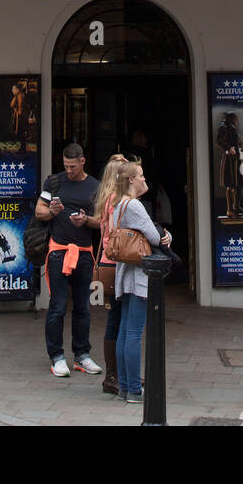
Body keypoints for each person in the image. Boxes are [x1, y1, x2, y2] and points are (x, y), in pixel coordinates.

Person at [35, 144, 103, 379]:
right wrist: (53, 211)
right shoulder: (54, 182)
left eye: (73, 166)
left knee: (83, 307)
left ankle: (82, 355)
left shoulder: (95, 186)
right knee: (58, 305)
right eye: (65, 166)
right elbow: (38, 212)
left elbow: (102, 220)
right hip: (58, 251)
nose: (69, 170)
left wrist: (86, 220)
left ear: (83, 161)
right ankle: (56, 356)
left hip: (84, 251)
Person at [111, 160, 170, 404]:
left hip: (125, 272)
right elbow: (155, 236)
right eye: (141, 176)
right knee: (134, 332)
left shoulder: (118, 205)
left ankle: (125, 386)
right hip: (138, 275)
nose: (145, 180)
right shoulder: (134, 205)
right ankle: (134, 389)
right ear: (131, 181)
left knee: (125, 331)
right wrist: (167, 236)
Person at [94, 152, 129, 394]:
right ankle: (116, 376)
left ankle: (114, 375)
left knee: (115, 319)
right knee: (121, 320)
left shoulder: (106, 198)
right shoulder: (119, 200)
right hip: (119, 264)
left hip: (106, 264)